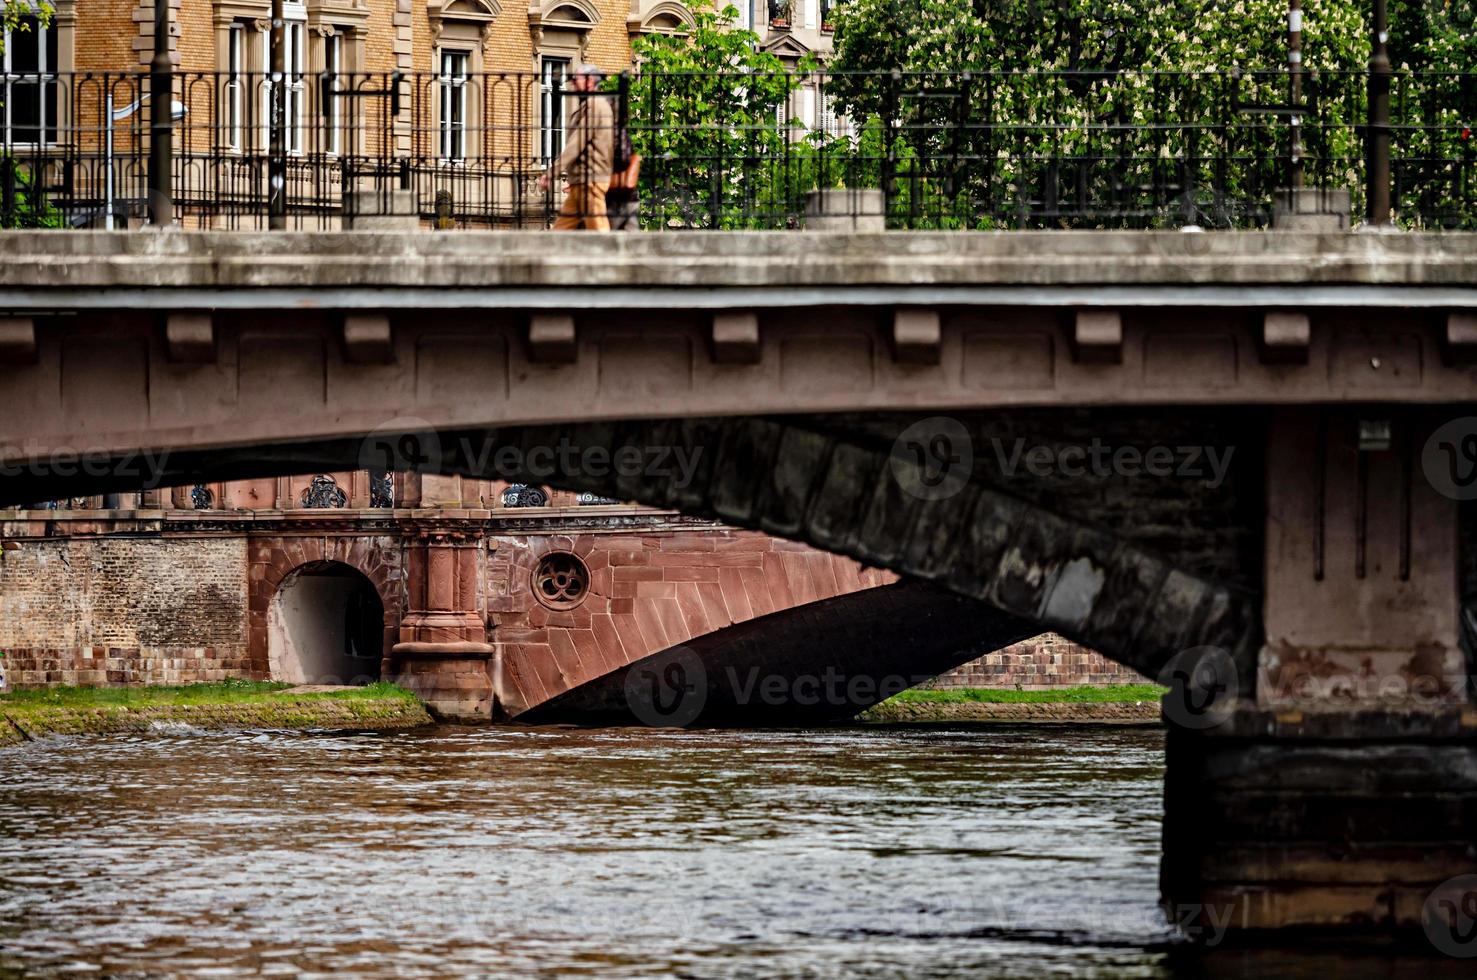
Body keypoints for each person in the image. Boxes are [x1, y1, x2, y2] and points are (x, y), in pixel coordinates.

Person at [538, 65, 614, 231]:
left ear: (589, 82)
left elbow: (577, 144)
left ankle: (616, 257)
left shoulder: (596, 106)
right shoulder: (591, 105)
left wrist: (552, 173)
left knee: (600, 232)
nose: (572, 83)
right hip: (582, 181)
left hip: (590, 181)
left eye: (576, 79)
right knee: (560, 231)